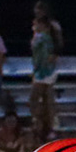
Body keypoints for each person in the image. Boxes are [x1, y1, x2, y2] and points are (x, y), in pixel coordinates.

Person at [28, 9, 62, 140]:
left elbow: (40, 54)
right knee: (46, 100)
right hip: (43, 70)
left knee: (39, 99)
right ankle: (45, 124)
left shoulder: (42, 38)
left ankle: (42, 123)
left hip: (44, 71)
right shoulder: (43, 37)